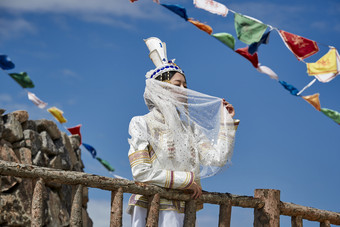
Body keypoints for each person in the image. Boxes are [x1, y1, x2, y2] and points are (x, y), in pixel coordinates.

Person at [127, 37, 239, 227]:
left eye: (185, 86)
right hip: (151, 206)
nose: (183, 90)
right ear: (160, 88)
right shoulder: (142, 123)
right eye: (177, 84)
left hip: (183, 207)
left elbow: (216, 159)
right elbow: (140, 172)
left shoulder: (190, 129)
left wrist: (226, 124)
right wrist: (187, 180)